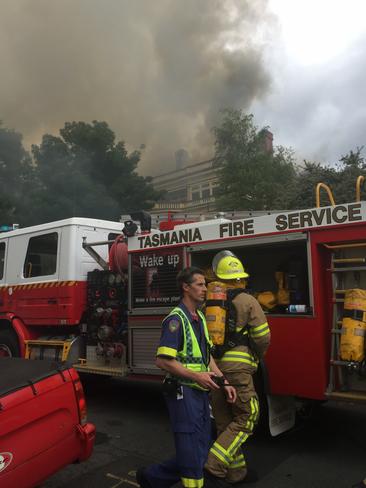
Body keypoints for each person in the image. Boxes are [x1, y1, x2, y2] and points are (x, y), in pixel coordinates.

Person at [136, 266, 236, 488]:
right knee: (191, 450)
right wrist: (196, 376)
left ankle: (151, 477)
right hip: (183, 393)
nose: (205, 289)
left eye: (205, 285)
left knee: (201, 445)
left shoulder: (199, 316)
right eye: (200, 284)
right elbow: (162, 361)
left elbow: (206, 357)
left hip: (199, 393)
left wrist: (224, 381)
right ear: (186, 287)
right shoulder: (175, 320)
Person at [205, 251, 271, 485]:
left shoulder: (209, 303)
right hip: (239, 369)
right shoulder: (248, 300)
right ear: (239, 278)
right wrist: (256, 355)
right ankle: (214, 464)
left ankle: (236, 474)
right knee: (248, 416)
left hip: (215, 369)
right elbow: (262, 337)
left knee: (225, 421)